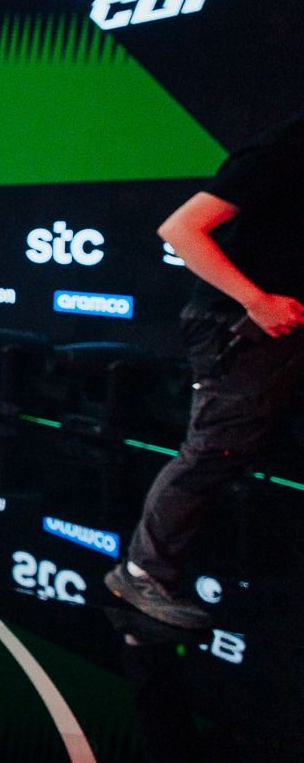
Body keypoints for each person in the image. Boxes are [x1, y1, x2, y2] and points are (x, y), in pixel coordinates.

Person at [107, 113, 304, 628]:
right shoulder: (287, 145)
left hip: (285, 329)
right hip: (240, 325)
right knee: (214, 451)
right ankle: (141, 573)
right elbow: (180, 229)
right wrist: (257, 301)